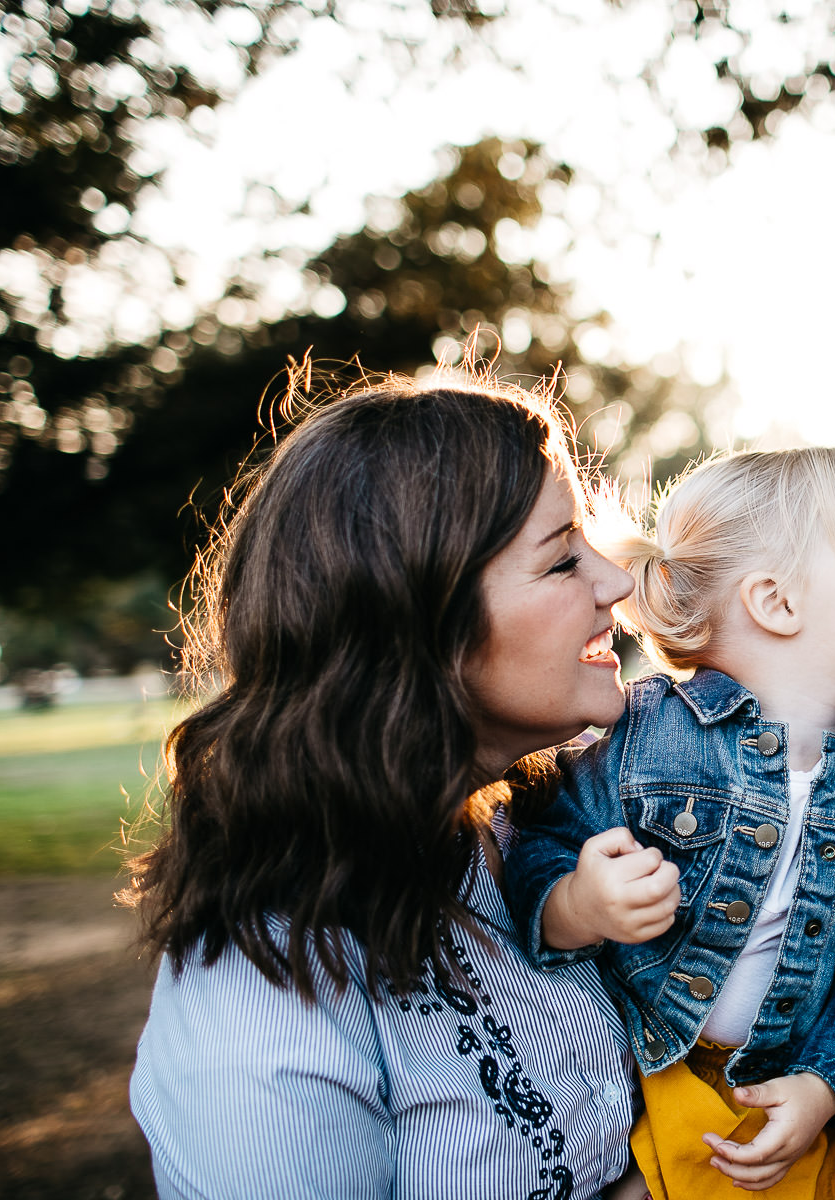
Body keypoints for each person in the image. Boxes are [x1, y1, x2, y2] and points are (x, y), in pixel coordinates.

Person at [128, 376, 649, 1199]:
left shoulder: (532, 825)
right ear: (418, 627)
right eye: (561, 560)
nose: (618, 583)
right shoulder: (266, 1000)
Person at [500, 449, 835, 1199]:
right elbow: (542, 840)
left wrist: (829, 1083)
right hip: (662, 1078)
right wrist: (578, 904)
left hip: (797, 1097)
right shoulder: (649, 735)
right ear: (777, 602)